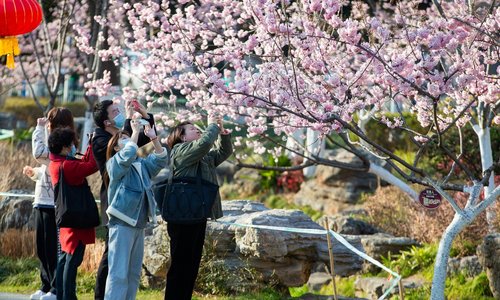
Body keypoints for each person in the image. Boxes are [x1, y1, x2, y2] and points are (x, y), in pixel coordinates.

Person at [91, 99, 155, 300]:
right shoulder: (99, 139)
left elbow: (147, 138)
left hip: (134, 207)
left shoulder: (123, 136)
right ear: (106, 121)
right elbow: (125, 151)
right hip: (116, 201)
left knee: (128, 267)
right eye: (115, 111)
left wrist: (144, 115)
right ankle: (102, 296)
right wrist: (129, 124)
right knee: (112, 260)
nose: (119, 113)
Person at [164, 116, 232, 300]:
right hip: (181, 216)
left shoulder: (202, 156)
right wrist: (211, 125)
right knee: (179, 265)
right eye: (193, 129)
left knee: (192, 265)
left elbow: (223, 152)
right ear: (183, 137)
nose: (198, 130)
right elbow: (203, 144)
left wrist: (223, 133)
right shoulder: (180, 150)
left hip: (198, 214)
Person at [104, 121, 168, 300]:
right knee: (118, 274)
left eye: (128, 137)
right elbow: (127, 154)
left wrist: (154, 138)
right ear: (116, 147)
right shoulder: (114, 164)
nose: (128, 141)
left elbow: (161, 159)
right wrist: (134, 133)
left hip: (139, 225)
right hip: (121, 223)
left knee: (133, 274)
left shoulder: (141, 165)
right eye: (122, 139)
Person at [29, 107, 77, 300]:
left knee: (54, 249)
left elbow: (39, 153)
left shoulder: (66, 145)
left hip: (55, 204)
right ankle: (46, 285)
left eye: (50, 120)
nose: (47, 122)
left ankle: (56, 289)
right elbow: (49, 168)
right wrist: (36, 174)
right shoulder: (55, 143)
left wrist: (38, 129)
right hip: (42, 200)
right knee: (42, 247)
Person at [48, 128, 98, 300]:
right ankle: (69, 295)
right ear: (63, 147)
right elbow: (91, 166)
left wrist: (90, 146)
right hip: (76, 219)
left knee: (65, 258)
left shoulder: (56, 163)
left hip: (68, 217)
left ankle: (62, 295)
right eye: (71, 144)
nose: (74, 147)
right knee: (72, 260)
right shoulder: (67, 166)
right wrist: (93, 145)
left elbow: (82, 163)